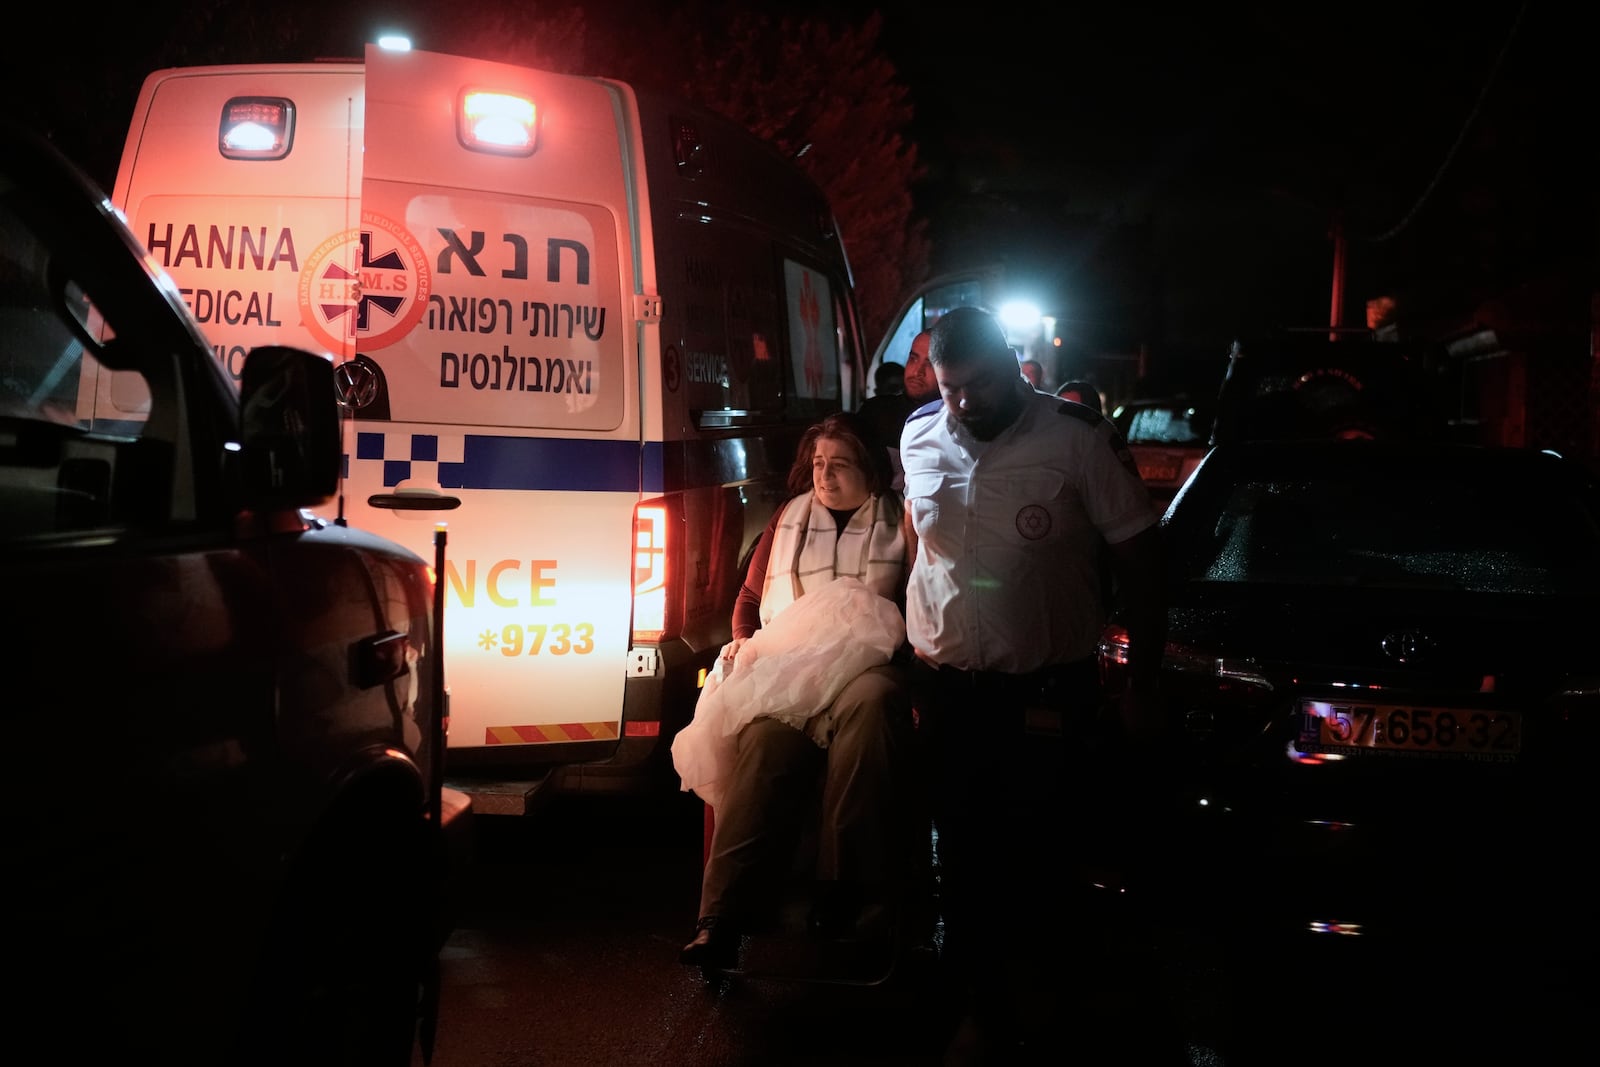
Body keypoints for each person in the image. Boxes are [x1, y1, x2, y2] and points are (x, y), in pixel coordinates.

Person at [898, 306, 1171, 1061]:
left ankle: (1047, 1011)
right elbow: (921, 543)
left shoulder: (1077, 440)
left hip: (1044, 691)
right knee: (959, 851)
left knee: (1040, 854)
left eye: (979, 384)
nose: (964, 402)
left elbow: (1142, 560)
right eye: (951, 387)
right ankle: (975, 1005)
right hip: (948, 688)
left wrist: (1143, 680)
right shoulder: (918, 434)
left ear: (1015, 368)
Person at [679, 411, 916, 971]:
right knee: (762, 744)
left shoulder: (898, 522)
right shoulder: (788, 518)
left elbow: (918, 605)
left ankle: (843, 896)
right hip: (792, 671)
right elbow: (748, 601)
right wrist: (744, 643)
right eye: (817, 465)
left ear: (872, 471)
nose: (825, 477)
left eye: (839, 465)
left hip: (866, 666)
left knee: (871, 711)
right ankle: (722, 920)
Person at [857, 360, 919, 491]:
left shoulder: (915, 414)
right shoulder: (872, 411)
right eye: (893, 389)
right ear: (877, 390)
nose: (899, 393)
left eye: (903, 388)